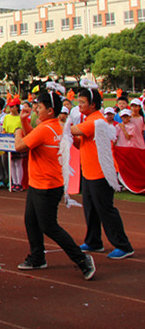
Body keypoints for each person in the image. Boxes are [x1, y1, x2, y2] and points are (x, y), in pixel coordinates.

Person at [14, 92, 96, 279]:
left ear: (50, 110)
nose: (36, 109)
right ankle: (37, 257)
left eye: (39, 107)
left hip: (45, 185)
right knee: (31, 221)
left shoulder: (45, 129)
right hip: (43, 183)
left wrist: (18, 130)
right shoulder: (55, 126)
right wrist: (24, 121)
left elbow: (20, 146)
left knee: (49, 226)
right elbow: (33, 136)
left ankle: (82, 259)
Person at [70, 87, 134, 259]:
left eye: (82, 102)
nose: (79, 105)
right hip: (89, 172)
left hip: (101, 173)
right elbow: (79, 144)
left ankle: (123, 245)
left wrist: (61, 124)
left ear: (92, 104)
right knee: (90, 209)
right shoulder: (89, 120)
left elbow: (72, 130)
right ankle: (93, 241)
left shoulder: (96, 121)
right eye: (78, 102)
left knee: (105, 209)